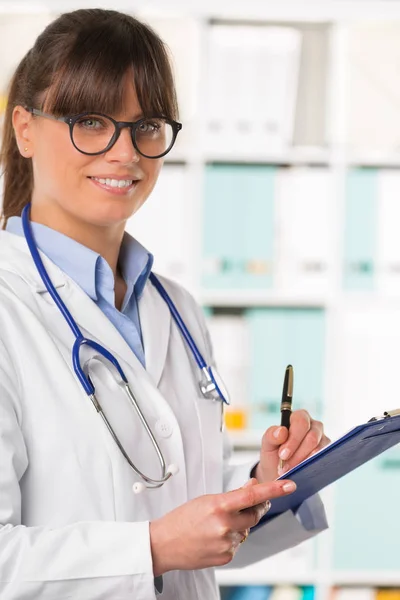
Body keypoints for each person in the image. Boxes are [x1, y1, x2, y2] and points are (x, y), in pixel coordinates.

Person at [0, 8, 330, 600]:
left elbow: (170, 497)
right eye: (91, 121)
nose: (124, 152)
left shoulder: (175, 307)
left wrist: (264, 483)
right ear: (25, 129)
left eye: (146, 125)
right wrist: (150, 547)